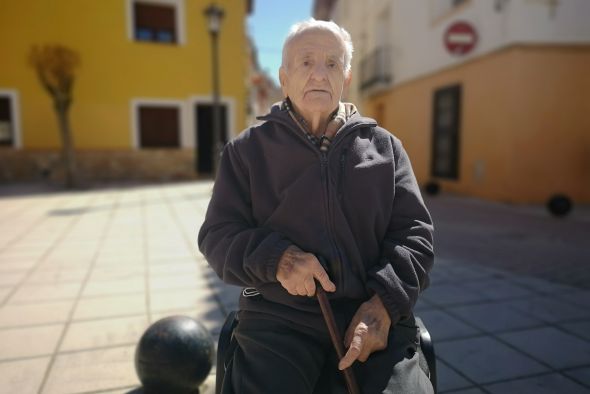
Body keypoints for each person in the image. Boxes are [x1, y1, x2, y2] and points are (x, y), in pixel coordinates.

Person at [198, 18, 434, 394]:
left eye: (332, 63)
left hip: (370, 314)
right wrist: (278, 260)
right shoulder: (246, 151)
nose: (319, 74)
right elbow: (217, 236)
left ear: (347, 76)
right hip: (277, 319)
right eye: (305, 62)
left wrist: (385, 304)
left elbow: (415, 234)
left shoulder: (386, 148)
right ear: (283, 77)